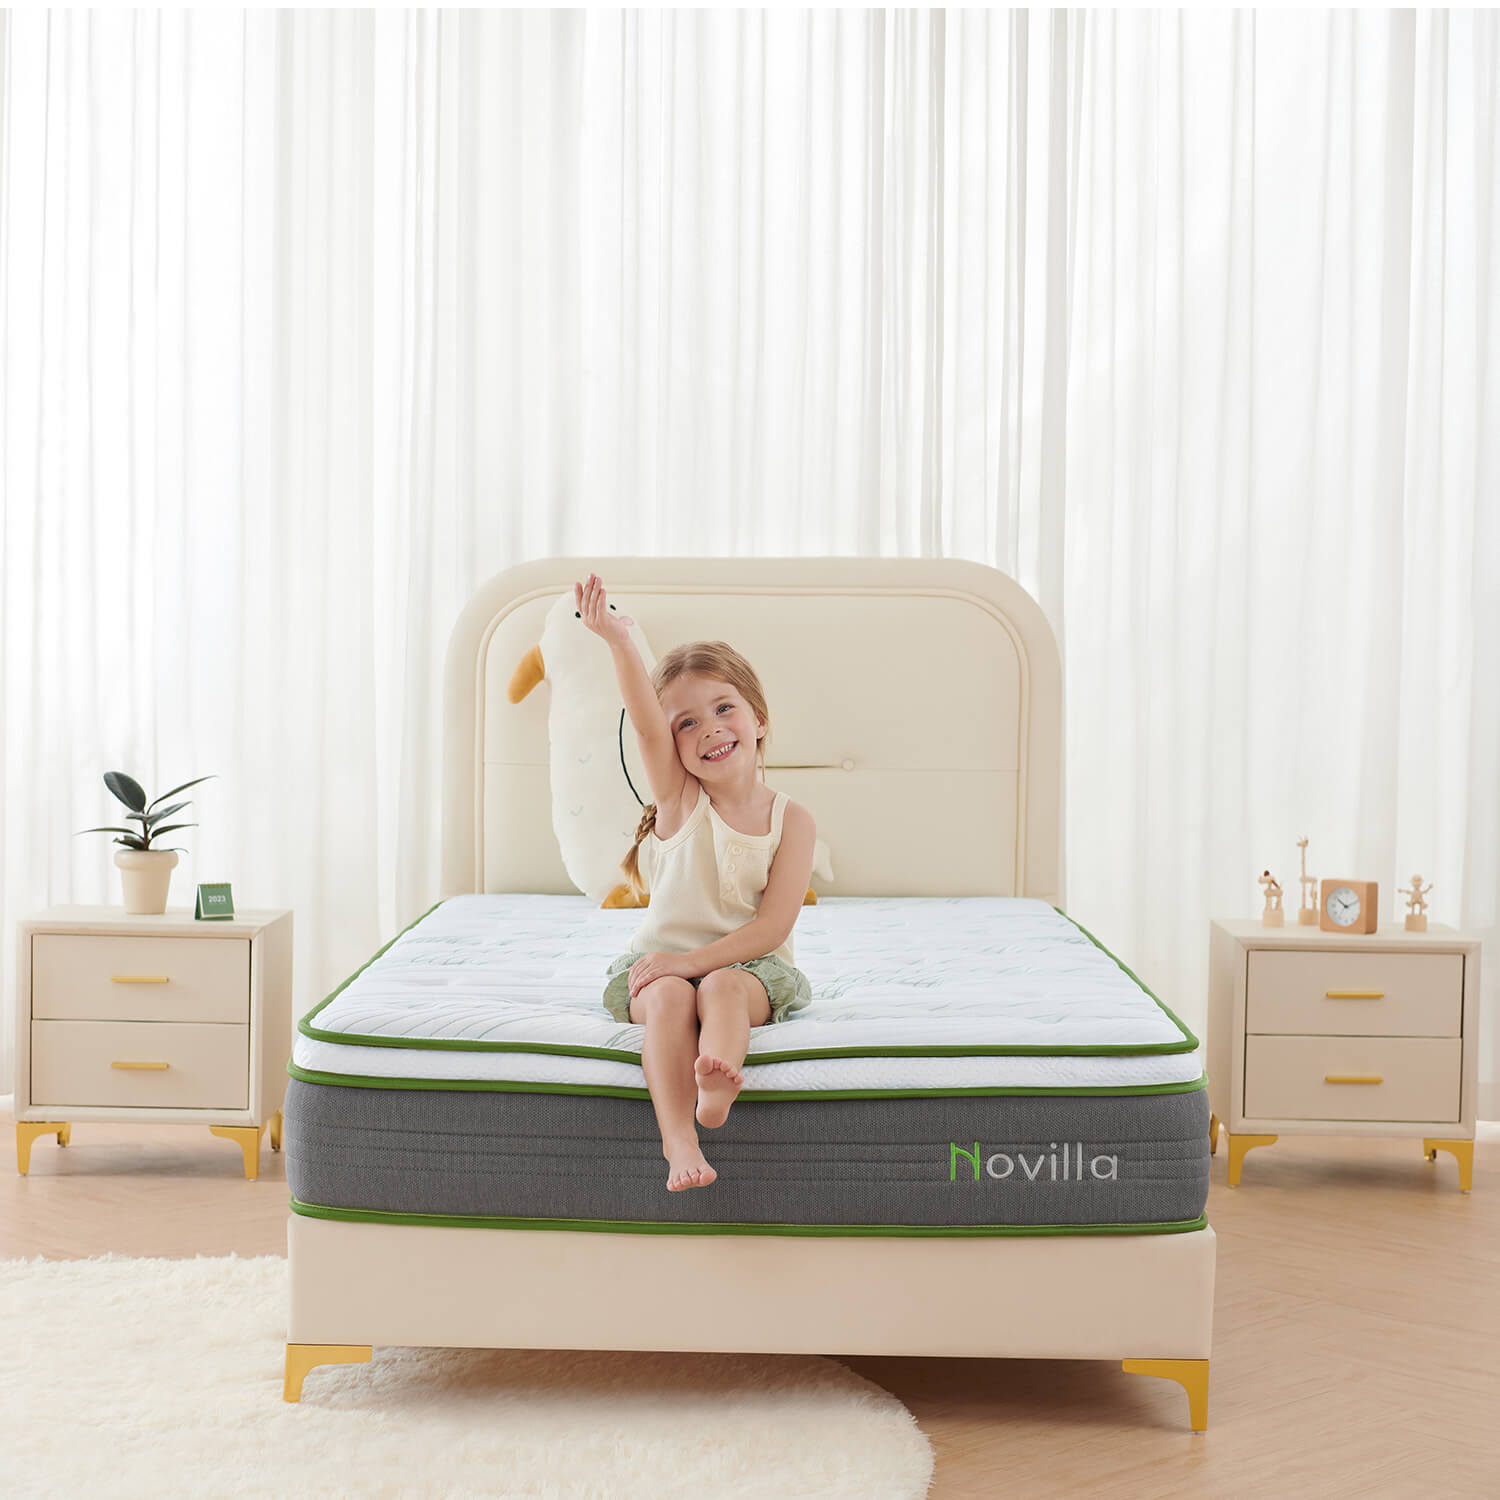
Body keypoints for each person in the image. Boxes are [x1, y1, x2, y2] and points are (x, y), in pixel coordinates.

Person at [575, 572, 816, 1193]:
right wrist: (618, 640)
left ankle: (716, 1087)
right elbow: (644, 722)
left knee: (723, 989)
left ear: (758, 720)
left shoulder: (795, 820)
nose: (708, 728)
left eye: (723, 708)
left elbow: (771, 928)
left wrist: (694, 963)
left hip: (751, 966)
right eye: (687, 723)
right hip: (661, 965)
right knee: (670, 999)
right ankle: (678, 1139)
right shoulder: (681, 802)